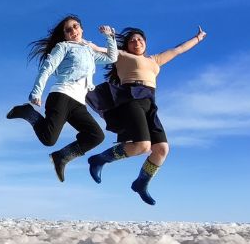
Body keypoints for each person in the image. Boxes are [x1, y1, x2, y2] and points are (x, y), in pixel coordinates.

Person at [86, 25, 207, 204]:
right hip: (131, 98)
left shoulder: (154, 60)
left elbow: (178, 49)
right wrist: (83, 41)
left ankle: (141, 183)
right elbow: (96, 48)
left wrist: (198, 38)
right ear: (127, 45)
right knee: (142, 146)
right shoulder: (121, 55)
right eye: (132, 40)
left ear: (145, 43)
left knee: (161, 149)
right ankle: (100, 159)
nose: (137, 42)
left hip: (149, 102)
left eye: (140, 39)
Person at [7, 15, 117, 181]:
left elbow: (112, 57)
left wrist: (109, 37)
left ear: (81, 29)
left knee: (96, 136)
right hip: (62, 95)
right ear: (64, 34)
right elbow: (47, 67)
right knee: (48, 139)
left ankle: (61, 157)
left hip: (79, 103)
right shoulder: (63, 47)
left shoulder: (89, 51)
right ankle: (28, 112)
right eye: (68, 29)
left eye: (75, 26)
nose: (73, 30)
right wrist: (37, 91)